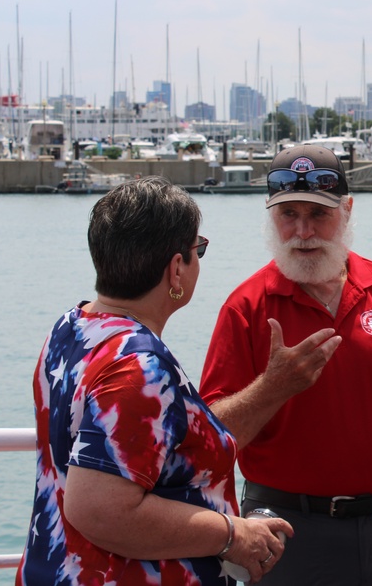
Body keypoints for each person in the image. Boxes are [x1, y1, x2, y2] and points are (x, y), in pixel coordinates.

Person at [17, 176, 298, 585]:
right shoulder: (139, 369)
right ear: (176, 269)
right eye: (196, 249)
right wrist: (233, 534)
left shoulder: (71, 327)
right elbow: (101, 509)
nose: (198, 259)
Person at [198, 145, 372, 585]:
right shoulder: (246, 306)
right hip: (291, 531)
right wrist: (274, 386)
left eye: (318, 213)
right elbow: (210, 436)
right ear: (269, 216)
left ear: (347, 211)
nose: (303, 230)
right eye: (288, 214)